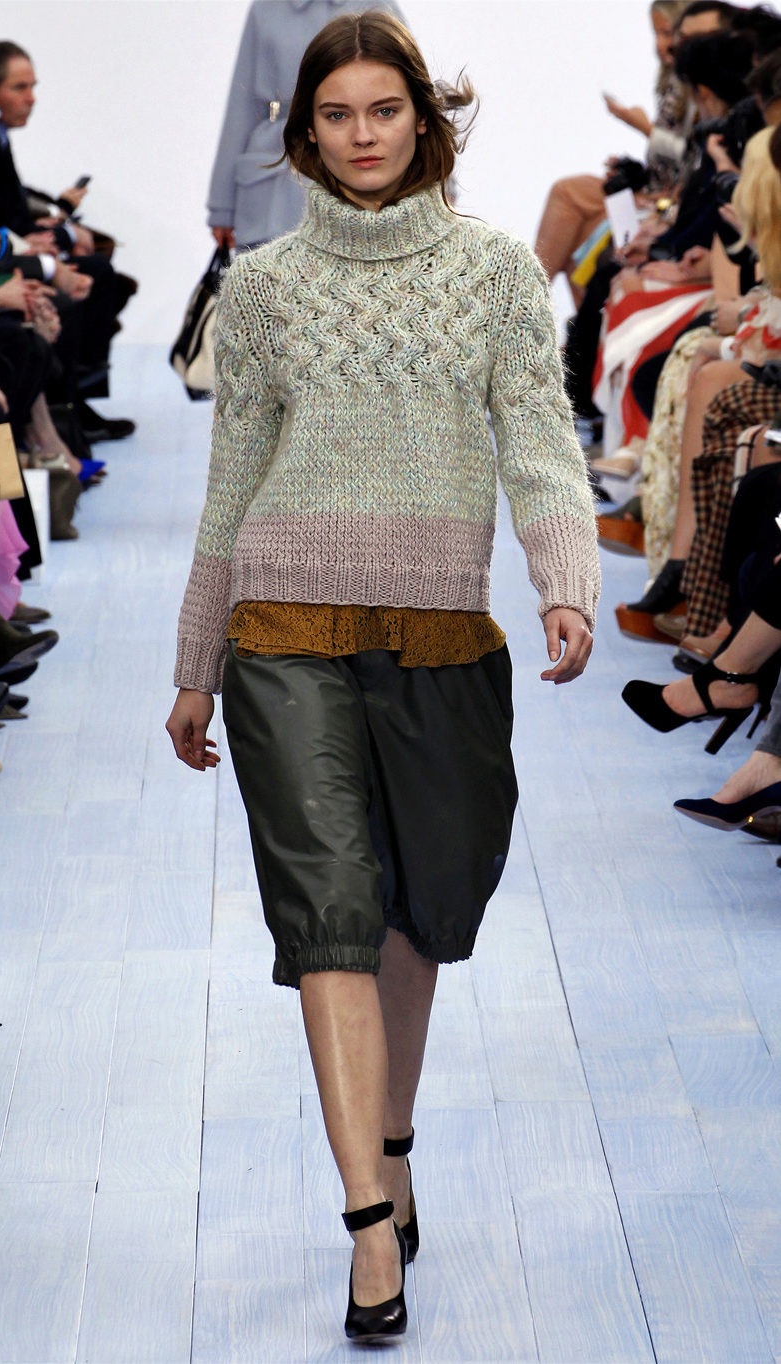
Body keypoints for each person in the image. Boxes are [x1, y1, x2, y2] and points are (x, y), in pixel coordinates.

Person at [167, 10, 599, 1343]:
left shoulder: (493, 273)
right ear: (303, 132)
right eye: (336, 115)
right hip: (281, 631)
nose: (361, 135)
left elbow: (539, 439)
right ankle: (367, 1221)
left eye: (383, 110)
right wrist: (195, 663)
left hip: (439, 635)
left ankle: (392, 1146)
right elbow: (231, 481)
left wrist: (563, 578)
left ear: (424, 116)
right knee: (329, 918)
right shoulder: (262, 287)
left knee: (419, 913)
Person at [207, 0, 405, 251]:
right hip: (275, 174)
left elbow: (411, 94)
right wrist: (222, 208)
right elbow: (242, 105)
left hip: (353, 171)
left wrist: (442, 183)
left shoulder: (377, 4)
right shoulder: (266, 8)